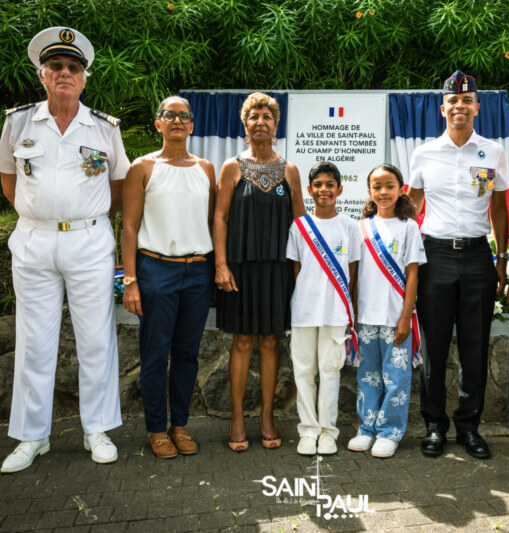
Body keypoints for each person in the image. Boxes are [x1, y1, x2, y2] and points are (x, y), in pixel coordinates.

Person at [0, 27, 129, 473]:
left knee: (95, 338)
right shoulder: (19, 122)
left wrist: (77, 216)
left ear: (84, 79)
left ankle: (97, 429)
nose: (65, 73)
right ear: (43, 76)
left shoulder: (104, 129)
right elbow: (9, 179)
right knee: (34, 340)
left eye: (73, 68)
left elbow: (119, 186)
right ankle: (32, 437)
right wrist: (41, 215)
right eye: (56, 67)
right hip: (34, 241)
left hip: (89, 241)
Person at [407, 70, 509, 459]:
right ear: (443, 108)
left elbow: (499, 205)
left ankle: (469, 427)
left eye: (467, 101)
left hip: (477, 255)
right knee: (434, 347)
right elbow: (413, 204)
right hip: (435, 255)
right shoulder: (424, 153)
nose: (459, 107)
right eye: (453, 101)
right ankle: (434, 426)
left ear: (476, 107)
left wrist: (501, 258)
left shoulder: (493, 152)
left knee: (473, 345)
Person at [120, 96, 215, 458]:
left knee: (188, 354)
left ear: (192, 125)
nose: (176, 120)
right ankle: (157, 429)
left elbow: (211, 222)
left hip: (197, 270)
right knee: (156, 353)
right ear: (157, 123)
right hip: (155, 268)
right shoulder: (142, 167)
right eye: (168, 114)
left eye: (183, 116)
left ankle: (180, 425)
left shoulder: (205, 169)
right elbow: (129, 227)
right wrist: (130, 279)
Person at [214, 92, 305, 452]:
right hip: (238, 268)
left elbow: (299, 224)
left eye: (267, 116)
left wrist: (301, 273)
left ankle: (267, 416)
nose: (261, 122)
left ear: (276, 125)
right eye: (254, 117)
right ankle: (237, 417)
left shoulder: (290, 170)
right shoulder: (231, 167)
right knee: (242, 341)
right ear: (245, 125)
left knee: (270, 341)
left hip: (277, 269)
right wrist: (220, 264)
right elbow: (219, 217)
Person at [348, 164, 426, 459]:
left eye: (389, 185)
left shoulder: (409, 227)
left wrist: (406, 317)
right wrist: (353, 313)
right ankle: (366, 428)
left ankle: (390, 431)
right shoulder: (361, 227)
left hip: (396, 318)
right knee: (368, 377)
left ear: (401, 188)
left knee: (396, 378)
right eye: (377, 186)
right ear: (369, 191)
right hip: (366, 317)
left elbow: (413, 274)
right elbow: (355, 274)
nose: (383, 192)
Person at [286, 162, 361, 456]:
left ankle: (328, 431)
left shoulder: (350, 226)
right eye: (318, 185)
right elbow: (296, 270)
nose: (324, 190)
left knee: (330, 371)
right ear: (309, 190)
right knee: (303, 371)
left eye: (330, 184)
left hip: (335, 311)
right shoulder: (299, 226)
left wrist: (346, 307)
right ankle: (308, 431)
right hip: (304, 310)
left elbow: (353, 272)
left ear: (340, 190)